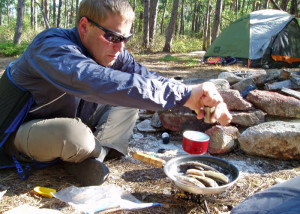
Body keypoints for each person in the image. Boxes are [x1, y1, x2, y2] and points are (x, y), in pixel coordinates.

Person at [1, 0, 232, 186]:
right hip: (19, 132)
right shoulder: (51, 46)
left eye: (125, 39)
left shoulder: (113, 52)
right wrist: (182, 95)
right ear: (84, 26)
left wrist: (191, 93)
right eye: (112, 37)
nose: (120, 47)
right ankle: (89, 151)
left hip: (75, 119)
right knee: (73, 135)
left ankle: (88, 155)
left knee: (130, 97)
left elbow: (144, 79)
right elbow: (94, 81)